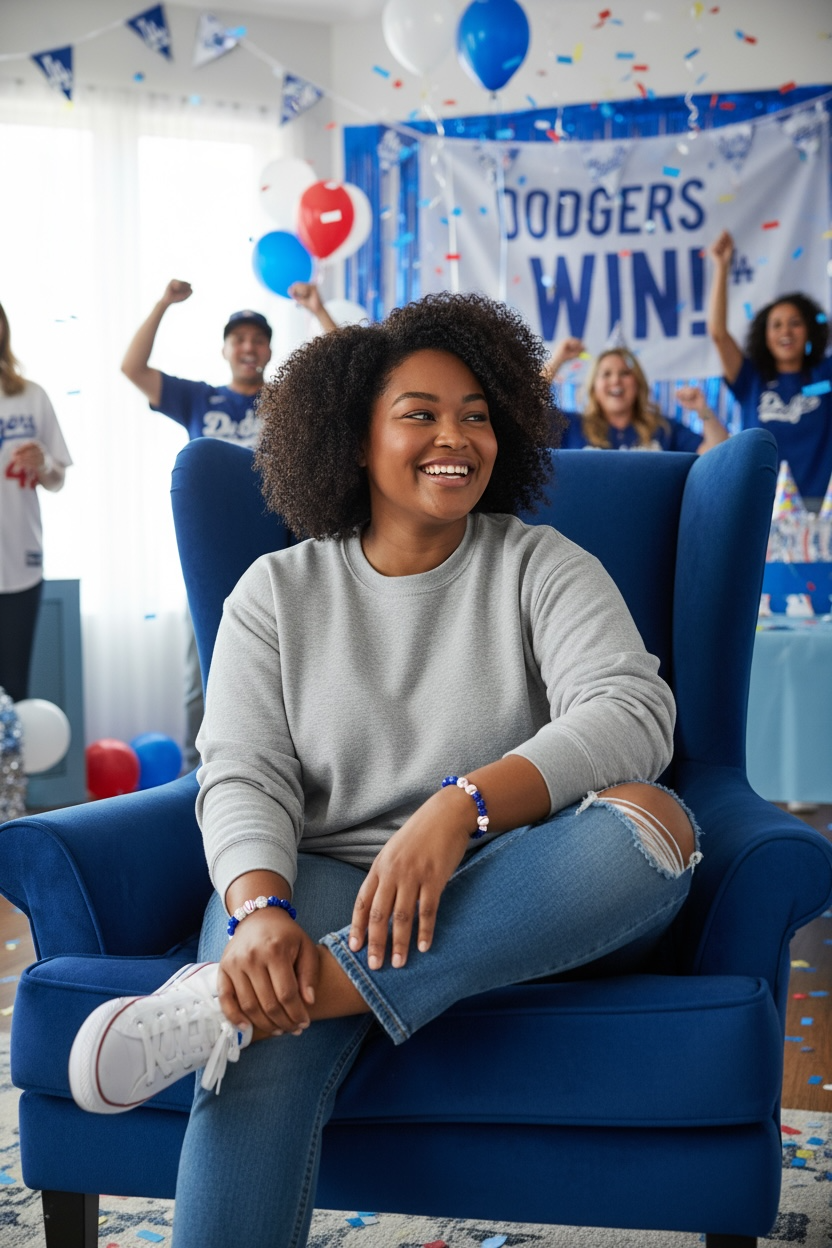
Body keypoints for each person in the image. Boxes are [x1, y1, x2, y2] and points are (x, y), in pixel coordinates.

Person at [70, 292, 702, 1248]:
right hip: (320, 878)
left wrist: (463, 809)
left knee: (656, 825)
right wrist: (258, 913)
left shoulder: (543, 564)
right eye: (421, 413)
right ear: (353, 438)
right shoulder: (275, 594)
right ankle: (267, 989)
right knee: (262, 1051)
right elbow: (241, 772)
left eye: (478, 415)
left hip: (512, 881)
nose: (458, 436)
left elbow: (633, 711)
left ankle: (252, 1004)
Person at [120, 278, 337, 768]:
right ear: (224, 349)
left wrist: (318, 310)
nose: (248, 346)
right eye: (238, 339)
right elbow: (132, 368)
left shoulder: (288, 401)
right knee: (205, 666)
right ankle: (201, 776)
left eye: (257, 339)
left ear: (268, 350)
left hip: (281, 549)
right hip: (215, 547)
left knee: (287, 668)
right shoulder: (199, 399)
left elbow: (347, 376)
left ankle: (287, 769)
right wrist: (162, 302)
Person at [707, 229, 832, 505]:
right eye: (776, 324)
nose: (786, 331)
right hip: (761, 507)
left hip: (821, 510)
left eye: (795, 323)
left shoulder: (825, 375)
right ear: (764, 336)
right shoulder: (751, 379)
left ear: (810, 331)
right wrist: (721, 267)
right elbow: (718, 333)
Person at [0, 301, 72, 703]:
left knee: (15, 691)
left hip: (20, 564)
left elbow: (57, 479)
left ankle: (11, 769)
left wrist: (44, 463)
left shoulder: (30, 396)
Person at [543, 337, 728, 453]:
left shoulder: (663, 428)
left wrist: (703, 410)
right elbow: (525, 406)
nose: (616, 381)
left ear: (637, 383)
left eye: (625, 373)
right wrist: (557, 359)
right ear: (593, 388)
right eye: (606, 374)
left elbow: (718, 453)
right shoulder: (571, 426)